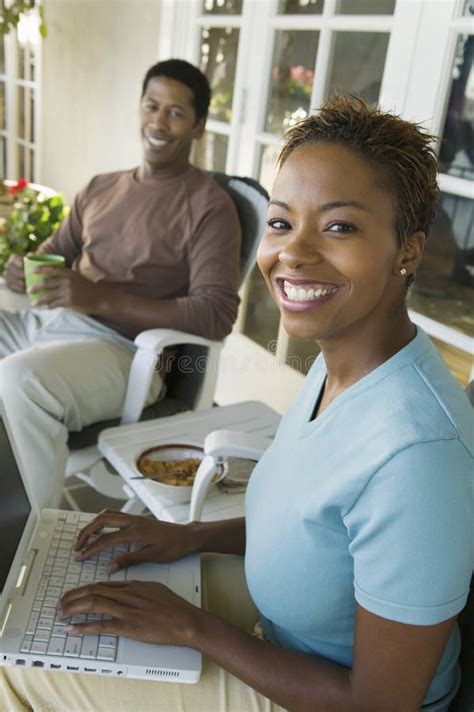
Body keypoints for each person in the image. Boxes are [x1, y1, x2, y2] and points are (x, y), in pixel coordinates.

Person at [1, 97, 472, 712]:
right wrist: (187, 536)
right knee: (65, 580)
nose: (293, 253)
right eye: (281, 222)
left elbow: (379, 703)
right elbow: (313, 534)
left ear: (407, 251)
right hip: (283, 633)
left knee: (12, 669)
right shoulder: (342, 366)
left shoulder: (417, 456)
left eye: (339, 226)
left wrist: (192, 628)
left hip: (324, 691)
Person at [0, 59, 241, 510]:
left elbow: (215, 313)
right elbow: (55, 252)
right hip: (49, 325)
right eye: (152, 106)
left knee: (18, 379)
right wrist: (22, 269)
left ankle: (40, 535)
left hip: (124, 352)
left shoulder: (209, 207)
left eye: (175, 112)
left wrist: (100, 297)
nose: (159, 121)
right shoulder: (101, 188)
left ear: (199, 127)